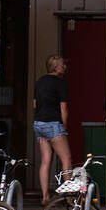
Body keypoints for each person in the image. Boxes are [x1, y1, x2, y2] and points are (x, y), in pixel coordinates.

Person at [33, 54, 70, 201]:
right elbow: (64, 108)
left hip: (39, 124)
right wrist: (63, 128)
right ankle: (69, 197)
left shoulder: (40, 81)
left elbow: (34, 104)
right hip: (54, 124)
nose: (65, 67)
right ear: (55, 67)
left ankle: (45, 196)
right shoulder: (60, 83)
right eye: (62, 64)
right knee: (66, 159)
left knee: (45, 161)